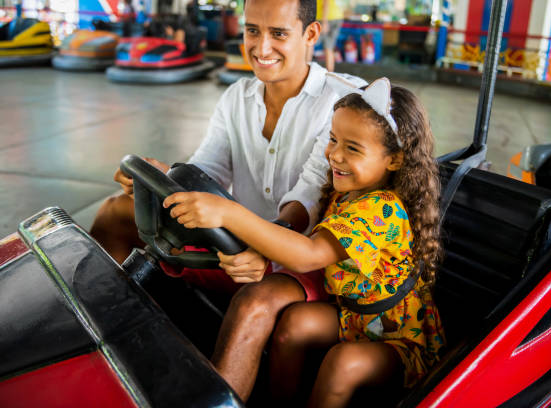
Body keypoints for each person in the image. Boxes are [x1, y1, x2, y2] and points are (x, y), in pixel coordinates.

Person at [89, 0, 366, 401]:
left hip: (307, 257)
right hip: (237, 242)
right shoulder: (238, 96)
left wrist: (265, 250)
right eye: (252, 31)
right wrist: (160, 177)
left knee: (257, 302)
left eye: (278, 34)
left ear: (310, 35)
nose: (261, 47)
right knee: (117, 211)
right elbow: (206, 170)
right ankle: (98, 344)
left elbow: (307, 199)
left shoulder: (341, 105)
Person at [162, 75, 446, 407]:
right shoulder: (350, 193)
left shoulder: (381, 210)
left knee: (343, 362)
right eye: (333, 139)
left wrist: (229, 214)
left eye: (352, 148)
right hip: (353, 317)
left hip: (399, 337)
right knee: (295, 323)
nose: (335, 156)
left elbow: (308, 255)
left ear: (394, 159)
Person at [315, 0, 344, 72]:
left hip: (325, 18)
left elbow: (326, 2)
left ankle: (306, 73)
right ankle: (330, 75)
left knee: (309, 45)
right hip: (335, 16)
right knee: (329, 48)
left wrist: (324, 21)